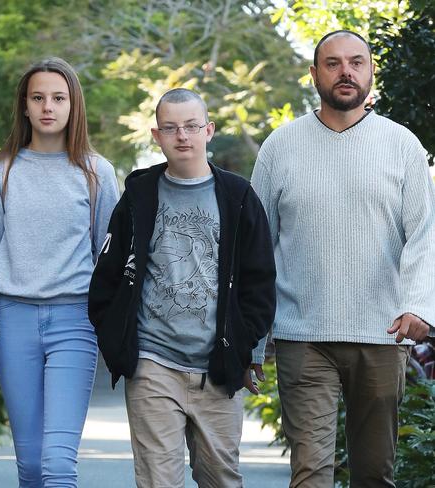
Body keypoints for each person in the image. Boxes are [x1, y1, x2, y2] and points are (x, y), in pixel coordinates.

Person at [251, 30, 435, 488]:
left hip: (381, 332)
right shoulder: (280, 147)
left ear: (371, 72)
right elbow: (253, 249)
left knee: (374, 474)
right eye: (332, 63)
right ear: (314, 74)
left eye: (356, 62)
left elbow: (424, 236)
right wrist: (251, 340)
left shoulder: (402, 145)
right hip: (303, 335)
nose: (346, 71)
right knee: (310, 472)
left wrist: (419, 306)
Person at [88, 88, 276, 488]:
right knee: (158, 480)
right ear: (157, 136)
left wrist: (242, 346)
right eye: (171, 128)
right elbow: (107, 274)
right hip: (153, 364)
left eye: (191, 126)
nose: (182, 136)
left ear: (208, 130)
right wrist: (118, 344)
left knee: (221, 478)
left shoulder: (238, 197)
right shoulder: (139, 196)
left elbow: (260, 281)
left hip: (218, 366)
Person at [0, 57, 119, 488]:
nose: (47, 106)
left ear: (74, 106)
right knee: (31, 466)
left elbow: (107, 261)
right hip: (13, 322)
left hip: (74, 323)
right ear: (25, 106)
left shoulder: (96, 173)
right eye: (38, 98)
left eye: (58, 97)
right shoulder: (0, 172)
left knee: (57, 464)